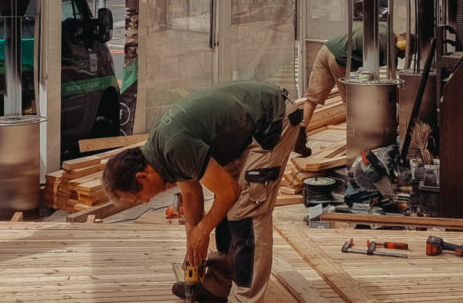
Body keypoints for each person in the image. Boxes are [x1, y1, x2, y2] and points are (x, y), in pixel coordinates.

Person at [102, 81, 302, 303]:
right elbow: (191, 194)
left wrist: (203, 231)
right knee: (227, 211)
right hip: (248, 129)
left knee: (247, 215)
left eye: (139, 197)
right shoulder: (159, 153)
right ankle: (218, 286)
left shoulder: (174, 147)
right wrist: (193, 243)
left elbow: (228, 191)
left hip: (271, 120)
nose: (146, 200)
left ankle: (245, 299)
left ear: (142, 176)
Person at [296, 23, 407, 157]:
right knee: (352, 102)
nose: (403, 57)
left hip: (326, 49)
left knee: (312, 97)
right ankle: (359, 141)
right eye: (406, 53)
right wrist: (402, 106)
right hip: (340, 59)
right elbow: (391, 82)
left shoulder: (384, 27)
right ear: (404, 44)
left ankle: (298, 137)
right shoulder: (392, 46)